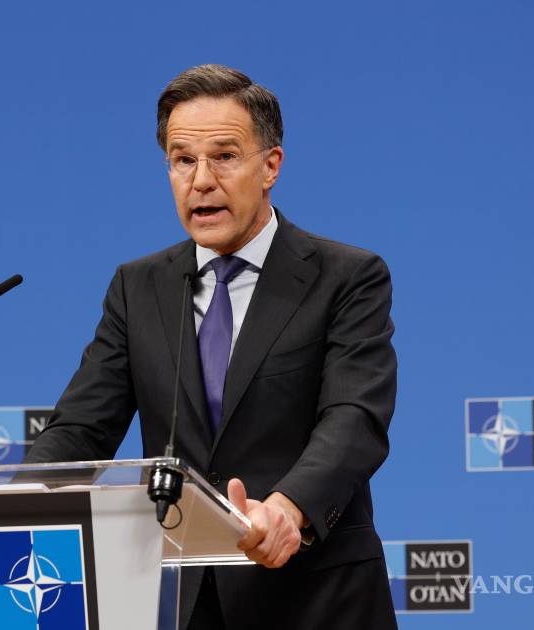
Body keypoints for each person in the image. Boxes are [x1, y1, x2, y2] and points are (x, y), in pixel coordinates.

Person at [23, 64, 398, 629]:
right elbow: (81, 428)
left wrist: (288, 509)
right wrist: (9, 503)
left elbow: (354, 419)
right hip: (180, 600)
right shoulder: (138, 287)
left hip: (314, 597)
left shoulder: (346, 277)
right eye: (182, 160)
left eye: (224, 156)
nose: (201, 180)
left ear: (270, 166)